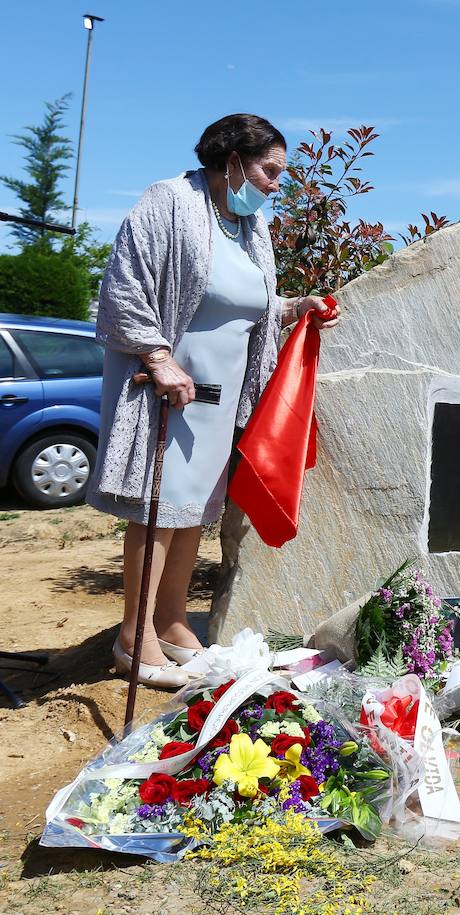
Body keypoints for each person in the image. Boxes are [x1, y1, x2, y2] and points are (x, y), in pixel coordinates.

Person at [89, 114, 339, 688]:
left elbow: (250, 305)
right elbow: (124, 287)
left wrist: (294, 308)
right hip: (167, 394)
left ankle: (172, 620)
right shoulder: (169, 203)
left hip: (222, 403)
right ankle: (133, 635)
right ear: (232, 163)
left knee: (191, 514)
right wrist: (157, 359)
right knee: (156, 512)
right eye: (270, 171)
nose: (278, 184)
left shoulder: (250, 227)